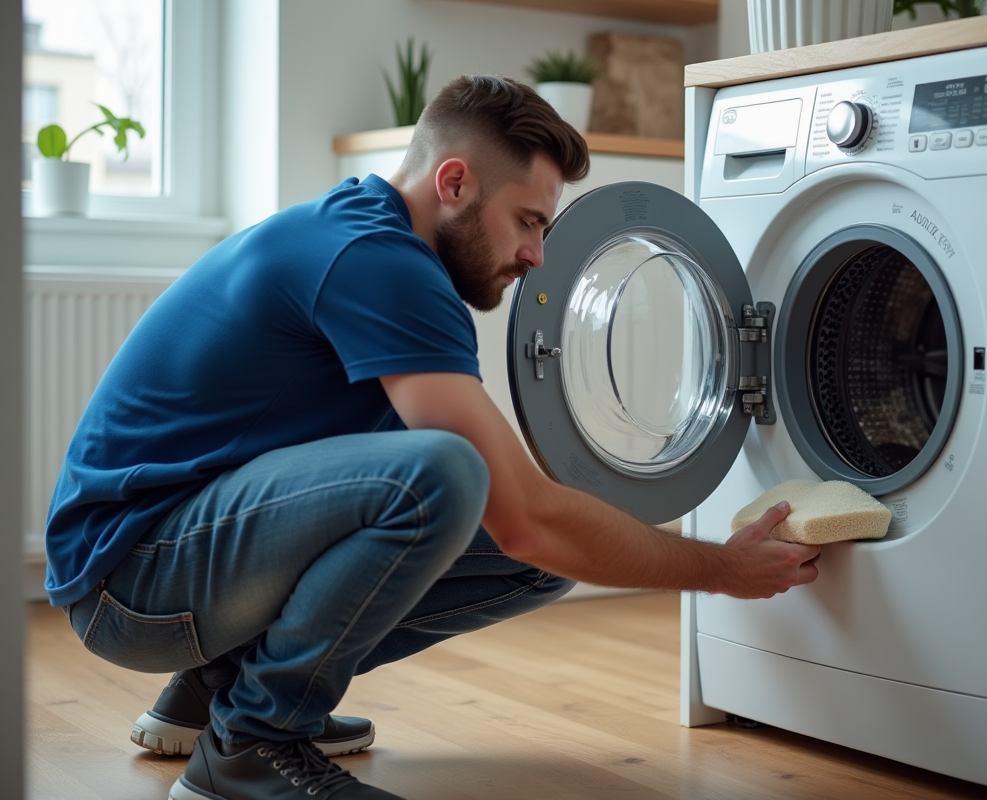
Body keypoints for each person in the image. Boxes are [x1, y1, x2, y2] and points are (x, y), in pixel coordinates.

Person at [44, 75, 822, 800]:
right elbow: (524, 514)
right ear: (454, 183)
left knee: (538, 547)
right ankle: (253, 743)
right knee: (447, 476)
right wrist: (722, 568)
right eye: (528, 221)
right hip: (129, 582)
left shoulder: (376, 241)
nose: (537, 256)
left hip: (168, 564)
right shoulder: (377, 261)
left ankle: (220, 690)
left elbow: (533, 526)